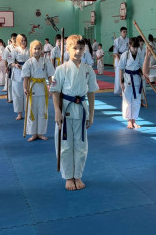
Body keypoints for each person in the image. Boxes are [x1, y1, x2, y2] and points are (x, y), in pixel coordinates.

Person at [51, 35, 99, 191]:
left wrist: (91, 114)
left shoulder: (88, 69)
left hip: (81, 110)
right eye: (75, 48)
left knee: (81, 145)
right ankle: (68, 177)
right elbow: (55, 92)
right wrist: (57, 111)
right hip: (65, 109)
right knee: (65, 145)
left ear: (85, 50)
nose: (78, 51)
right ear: (67, 49)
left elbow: (91, 92)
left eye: (81, 48)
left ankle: (77, 175)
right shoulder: (61, 69)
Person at [22, 40, 55, 142]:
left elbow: (50, 76)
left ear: (42, 50)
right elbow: (26, 78)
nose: (37, 51)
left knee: (42, 111)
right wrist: (25, 88)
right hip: (32, 88)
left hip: (43, 89)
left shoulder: (46, 61)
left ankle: (40, 133)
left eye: (39, 49)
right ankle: (33, 133)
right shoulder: (28, 62)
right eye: (35, 49)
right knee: (31, 111)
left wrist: (51, 88)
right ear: (31, 50)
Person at [119, 37, 145, 129]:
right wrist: (120, 83)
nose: (135, 49)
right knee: (127, 101)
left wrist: (143, 75)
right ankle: (129, 121)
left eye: (137, 47)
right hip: (127, 79)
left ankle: (134, 120)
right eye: (134, 47)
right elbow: (121, 69)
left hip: (137, 78)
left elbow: (142, 67)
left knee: (136, 101)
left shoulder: (140, 54)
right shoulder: (125, 55)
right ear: (129, 45)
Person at [10, 34, 30, 121]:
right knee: (18, 94)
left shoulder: (29, 50)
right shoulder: (15, 50)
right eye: (22, 40)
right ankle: (19, 113)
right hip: (17, 72)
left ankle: (28, 112)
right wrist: (15, 65)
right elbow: (10, 61)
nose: (23, 42)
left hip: (28, 72)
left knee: (27, 93)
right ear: (18, 41)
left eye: (25, 40)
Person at [113, 27, 129, 94]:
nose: (125, 33)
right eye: (124, 31)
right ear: (121, 32)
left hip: (127, 57)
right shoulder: (117, 40)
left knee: (126, 74)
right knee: (119, 75)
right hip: (119, 57)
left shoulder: (128, 39)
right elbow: (115, 52)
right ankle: (119, 91)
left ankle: (126, 89)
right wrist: (119, 60)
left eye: (126, 31)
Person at [3, 33, 18, 101]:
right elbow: (5, 58)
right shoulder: (8, 48)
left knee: (17, 83)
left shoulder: (20, 47)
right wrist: (6, 67)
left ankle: (17, 97)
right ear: (11, 39)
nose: (14, 40)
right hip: (10, 67)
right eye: (13, 38)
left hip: (18, 67)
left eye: (16, 38)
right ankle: (10, 98)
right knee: (10, 83)